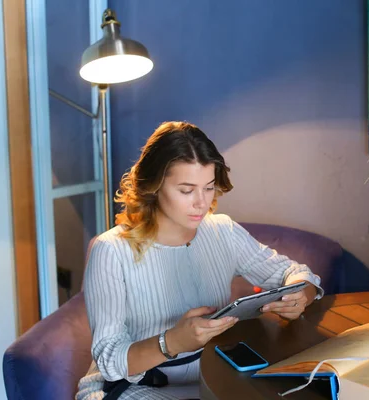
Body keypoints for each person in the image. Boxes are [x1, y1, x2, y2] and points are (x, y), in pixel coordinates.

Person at [76, 121, 323, 400]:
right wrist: (172, 342)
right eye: (186, 190)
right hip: (135, 388)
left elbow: (296, 273)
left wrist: (300, 295)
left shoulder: (222, 231)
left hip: (212, 379)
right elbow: (109, 361)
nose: (201, 203)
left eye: (208, 187)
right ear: (153, 186)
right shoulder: (110, 251)